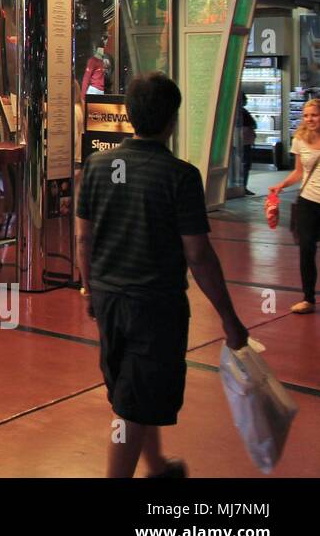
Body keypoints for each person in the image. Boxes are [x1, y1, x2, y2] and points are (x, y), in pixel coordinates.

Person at [76, 72, 248, 478]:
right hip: (154, 307)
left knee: (132, 392)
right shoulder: (180, 176)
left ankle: (155, 466)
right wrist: (228, 318)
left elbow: (84, 239)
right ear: (173, 120)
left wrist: (88, 290)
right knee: (131, 405)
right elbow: (199, 255)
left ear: (129, 115)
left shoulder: (97, 167)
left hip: (109, 301)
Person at [267, 97, 320, 314]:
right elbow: (299, 172)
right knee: (306, 249)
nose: (309, 119)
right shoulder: (299, 139)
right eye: (306, 115)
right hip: (307, 201)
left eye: (314, 115)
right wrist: (281, 185)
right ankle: (308, 298)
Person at [237, 93, 257, 194]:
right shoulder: (243, 112)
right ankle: (243, 187)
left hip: (242, 141)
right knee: (245, 163)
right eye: (245, 99)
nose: (246, 101)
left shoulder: (239, 112)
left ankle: (242, 186)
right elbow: (253, 124)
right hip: (245, 142)